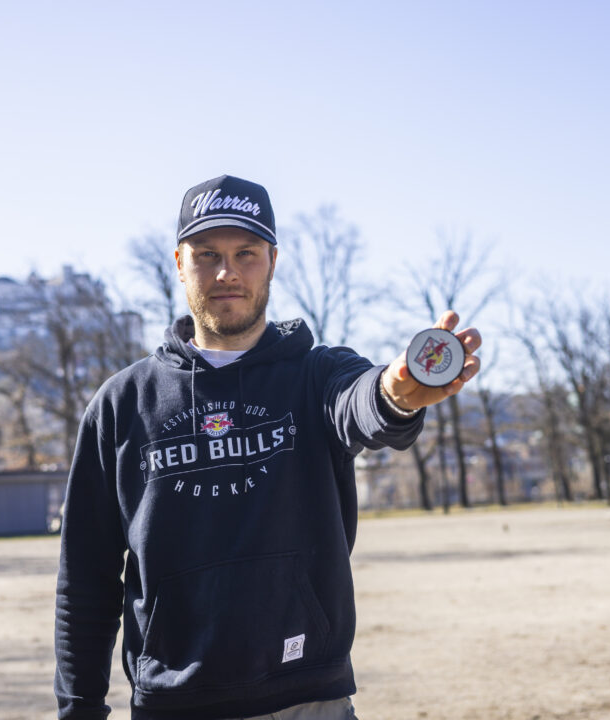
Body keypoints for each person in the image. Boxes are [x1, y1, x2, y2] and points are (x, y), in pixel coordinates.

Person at [54, 174, 482, 720]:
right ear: (180, 263)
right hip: (174, 703)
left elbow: (364, 405)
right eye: (207, 254)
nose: (227, 272)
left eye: (246, 253)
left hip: (308, 701)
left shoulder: (318, 374)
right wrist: (79, 710)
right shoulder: (122, 404)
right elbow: (85, 580)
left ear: (273, 261)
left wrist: (395, 395)